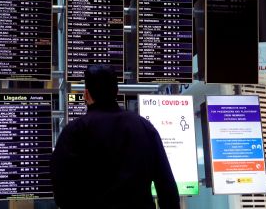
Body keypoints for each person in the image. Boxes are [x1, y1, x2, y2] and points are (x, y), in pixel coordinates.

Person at [51, 65, 180, 209]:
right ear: (116, 92)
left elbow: (61, 189)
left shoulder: (74, 132)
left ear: (86, 94)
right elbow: (166, 186)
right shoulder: (144, 127)